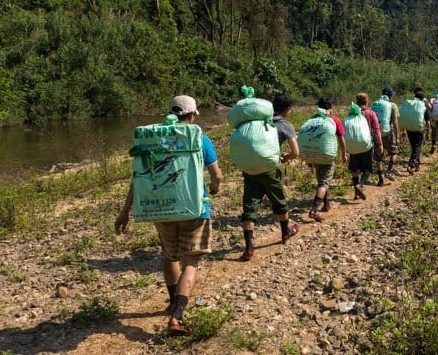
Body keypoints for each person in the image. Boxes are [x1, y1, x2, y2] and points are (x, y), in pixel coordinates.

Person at [115, 95, 223, 335]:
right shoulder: (199, 138)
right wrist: (215, 188)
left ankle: (172, 300)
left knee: (169, 256)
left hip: (162, 210)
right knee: (191, 262)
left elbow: (138, 180)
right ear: (193, 115)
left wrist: (124, 212)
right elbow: (216, 175)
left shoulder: (155, 140)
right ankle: (177, 316)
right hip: (195, 209)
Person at [238, 93, 300, 262]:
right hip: (271, 169)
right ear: (288, 109)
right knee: (279, 202)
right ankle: (285, 232)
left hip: (250, 169)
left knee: (250, 206)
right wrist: (284, 158)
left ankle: (249, 248)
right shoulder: (284, 125)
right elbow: (295, 152)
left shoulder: (256, 123)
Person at [306, 97, 347, 222]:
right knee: (324, 183)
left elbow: (307, 137)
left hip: (313, 154)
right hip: (327, 155)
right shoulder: (334, 120)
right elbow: (341, 139)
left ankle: (326, 204)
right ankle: (314, 210)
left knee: (321, 180)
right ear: (330, 107)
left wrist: (308, 157)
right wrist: (344, 154)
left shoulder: (312, 120)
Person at [354, 92, 384, 186]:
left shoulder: (353, 113)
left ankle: (356, 185)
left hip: (356, 141)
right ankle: (380, 179)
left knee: (356, 165)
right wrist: (380, 144)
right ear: (367, 101)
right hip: (369, 141)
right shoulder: (371, 113)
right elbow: (377, 130)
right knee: (377, 159)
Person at [373, 86, 400, 183]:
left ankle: (380, 179)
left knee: (379, 156)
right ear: (391, 95)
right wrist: (397, 137)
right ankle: (388, 171)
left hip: (376, 133)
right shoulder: (392, 105)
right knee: (394, 152)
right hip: (388, 132)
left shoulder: (375, 104)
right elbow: (395, 122)